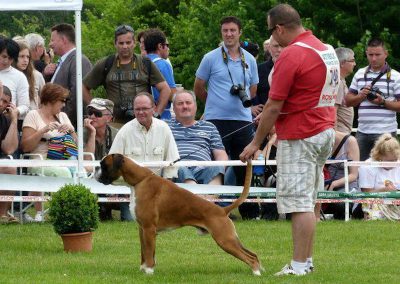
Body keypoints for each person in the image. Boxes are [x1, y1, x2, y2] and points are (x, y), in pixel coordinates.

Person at [240, 4, 339, 276]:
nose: (273, 39)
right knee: (310, 199)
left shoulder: (292, 54)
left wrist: (255, 143)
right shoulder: (326, 49)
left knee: (299, 203)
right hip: (324, 129)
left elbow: (272, 105)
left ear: (280, 28)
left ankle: (297, 265)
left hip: (300, 134)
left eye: (272, 32)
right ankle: (305, 262)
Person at [194, 16, 258, 218]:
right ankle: (217, 209)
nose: (229, 34)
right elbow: (198, 87)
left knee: (244, 166)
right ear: (221, 33)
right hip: (216, 120)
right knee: (217, 165)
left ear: (240, 32)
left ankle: (248, 211)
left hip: (242, 120)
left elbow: (253, 90)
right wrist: (214, 103)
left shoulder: (250, 59)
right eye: (225, 31)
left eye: (232, 30)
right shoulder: (210, 57)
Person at [83, 25, 170, 125]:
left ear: (134, 43)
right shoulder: (106, 63)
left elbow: (165, 89)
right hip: (114, 123)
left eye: (128, 42)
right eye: (121, 43)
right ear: (115, 44)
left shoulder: (145, 63)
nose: (125, 46)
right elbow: (83, 87)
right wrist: (96, 109)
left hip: (142, 123)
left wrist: (156, 114)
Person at [21, 83, 76, 222]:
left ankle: (74, 211)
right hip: (40, 159)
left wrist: (71, 130)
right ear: (51, 100)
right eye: (62, 101)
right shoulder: (32, 115)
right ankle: (64, 213)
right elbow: (25, 147)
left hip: (64, 157)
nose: (63, 105)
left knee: (80, 171)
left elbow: (77, 145)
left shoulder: (63, 116)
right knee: (65, 173)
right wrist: (43, 130)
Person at [345, 38, 400, 161]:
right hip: (362, 131)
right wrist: (360, 96)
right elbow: (347, 101)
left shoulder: (395, 76)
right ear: (366, 53)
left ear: (386, 54)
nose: (374, 58)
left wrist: (383, 102)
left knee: (386, 170)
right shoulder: (360, 74)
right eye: (370, 54)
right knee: (358, 169)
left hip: (386, 133)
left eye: (377, 54)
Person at [109, 92, 179, 180]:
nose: (141, 112)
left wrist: (166, 186)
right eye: (137, 109)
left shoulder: (164, 128)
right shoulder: (125, 131)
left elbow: (172, 161)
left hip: (157, 186)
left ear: (154, 108)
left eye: (145, 108)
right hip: (131, 186)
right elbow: (113, 163)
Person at [83, 98, 133, 221]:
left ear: (109, 118)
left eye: (98, 113)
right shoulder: (83, 133)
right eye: (90, 112)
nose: (92, 116)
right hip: (91, 180)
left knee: (129, 219)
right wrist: (92, 134)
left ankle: (111, 208)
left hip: (116, 182)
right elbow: (87, 164)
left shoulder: (119, 135)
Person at [168, 90, 228, 185]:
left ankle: (208, 198)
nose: (185, 106)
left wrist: (220, 167)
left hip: (204, 169)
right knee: (179, 168)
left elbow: (221, 155)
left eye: (188, 103)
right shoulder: (165, 126)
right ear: (174, 108)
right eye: (180, 104)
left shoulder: (209, 126)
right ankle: (199, 198)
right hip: (177, 170)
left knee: (218, 167)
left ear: (195, 106)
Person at [43, 23, 93, 129]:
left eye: (52, 40)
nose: (50, 44)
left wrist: (62, 122)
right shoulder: (64, 61)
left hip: (67, 128)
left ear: (64, 40)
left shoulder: (79, 61)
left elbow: (76, 97)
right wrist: (47, 76)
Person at [316, 130, 361, 220]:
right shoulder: (315, 141)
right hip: (322, 184)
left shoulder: (350, 141)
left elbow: (354, 175)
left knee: (341, 203)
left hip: (346, 186)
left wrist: (333, 184)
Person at [358, 133, 400, 220]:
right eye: (389, 161)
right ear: (379, 156)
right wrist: (384, 190)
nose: (393, 164)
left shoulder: (398, 163)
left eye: (395, 160)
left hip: (395, 201)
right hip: (372, 202)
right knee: (375, 215)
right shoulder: (368, 166)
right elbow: (366, 194)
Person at [144, 28, 176, 120]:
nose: (168, 48)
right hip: (162, 116)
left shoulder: (140, 62)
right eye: (167, 45)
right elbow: (171, 95)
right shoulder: (162, 64)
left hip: (142, 114)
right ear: (160, 46)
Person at [0, 36, 30, 129]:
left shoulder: (19, 76)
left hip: (6, 125)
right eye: (4, 56)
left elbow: (25, 106)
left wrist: (15, 111)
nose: (6, 61)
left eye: (10, 58)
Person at [0, 82, 19, 224]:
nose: (1, 103)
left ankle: (3, 214)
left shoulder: (4, 120)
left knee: (10, 168)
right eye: (0, 99)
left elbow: (9, 149)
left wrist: (13, 121)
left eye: (5, 102)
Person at [13, 39, 45, 110]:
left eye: (28, 57)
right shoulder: (8, 74)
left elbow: (45, 99)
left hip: (32, 117)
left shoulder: (37, 75)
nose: (25, 60)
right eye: (21, 56)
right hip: (13, 117)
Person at [334, 47, 356, 134]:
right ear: (342, 63)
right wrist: (335, 138)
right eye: (352, 60)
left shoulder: (340, 81)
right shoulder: (338, 83)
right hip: (340, 134)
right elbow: (333, 111)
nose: (355, 64)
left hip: (342, 134)